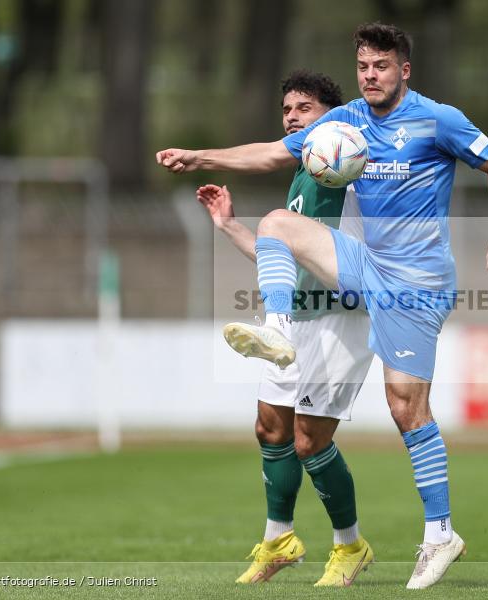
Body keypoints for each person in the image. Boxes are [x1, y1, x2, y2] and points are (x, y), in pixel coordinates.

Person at [158, 23, 488, 589]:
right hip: (365, 267)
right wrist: (201, 156)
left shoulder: (437, 118)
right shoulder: (345, 121)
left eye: (382, 65)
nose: (371, 75)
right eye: (363, 66)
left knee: (405, 409)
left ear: (405, 69)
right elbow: (272, 153)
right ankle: (275, 329)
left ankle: (440, 532)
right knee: (279, 223)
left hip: (416, 284)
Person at [196, 70, 375, 587]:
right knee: (270, 429)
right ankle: (280, 540)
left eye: (304, 108)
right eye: (287, 110)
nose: (292, 117)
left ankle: (350, 546)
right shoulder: (302, 178)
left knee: (309, 442)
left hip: (341, 318)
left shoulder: (350, 166)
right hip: (295, 317)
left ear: (332, 118)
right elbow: (281, 257)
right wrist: (230, 226)